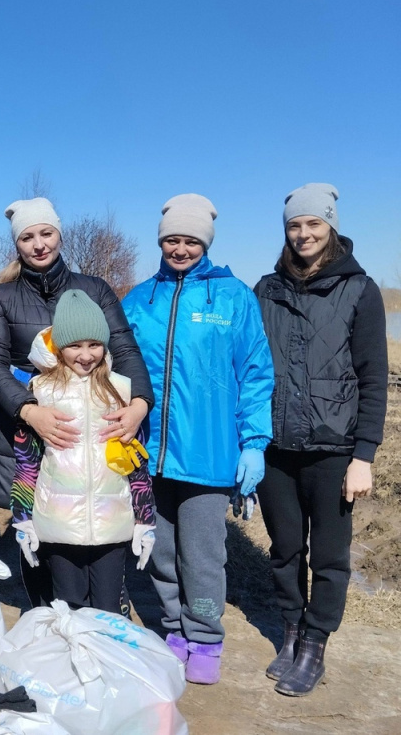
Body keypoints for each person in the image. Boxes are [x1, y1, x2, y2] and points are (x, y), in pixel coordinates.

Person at [123, 193, 274, 685]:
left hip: (209, 455)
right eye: (172, 239)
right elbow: (102, 357)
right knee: (161, 551)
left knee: (203, 554)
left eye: (190, 240)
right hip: (149, 453)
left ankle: (206, 636)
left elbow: (255, 373)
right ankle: (173, 631)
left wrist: (254, 442)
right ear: (161, 241)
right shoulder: (140, 298)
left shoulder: (234, 297)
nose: (180, 248)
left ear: (204, 243)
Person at [0, 197, 153, 602]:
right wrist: (28, 409)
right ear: (17, 244)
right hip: (32, 434)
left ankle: (105, 610)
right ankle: (47, 619)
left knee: (98, 534)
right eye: (27, 237)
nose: (39, 244)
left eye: (46, 233)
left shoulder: (94, 288)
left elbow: (125, 351)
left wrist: (140, 403)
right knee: (43, 543)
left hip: (93, 437)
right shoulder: (2, 298)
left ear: (59, 234)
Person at [254, 183, 387, 696]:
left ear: (330, 226)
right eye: (294, 225)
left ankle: (314, 645)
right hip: (275, 450)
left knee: (330, 557)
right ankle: (290, 631)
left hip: (335, 451)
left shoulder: (360, 289)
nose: (303, 233)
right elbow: (249, 366)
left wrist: (364, 456)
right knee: (285, 549)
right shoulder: (266, 290)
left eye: (313, 224)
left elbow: (374, 378)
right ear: (286, 231)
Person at [10, 289, 156, 613]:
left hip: (111, 524)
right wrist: (22, 519)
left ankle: (104, 663)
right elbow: (27, 462)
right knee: (69, 607)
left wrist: (145, 518)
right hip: (57, 525)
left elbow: (138, 464)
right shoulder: (40, 391)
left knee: (107, 608)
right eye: (75, 345)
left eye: (94, 344)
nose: (86, 354)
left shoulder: (122, 391)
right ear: (60, 346)